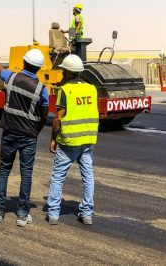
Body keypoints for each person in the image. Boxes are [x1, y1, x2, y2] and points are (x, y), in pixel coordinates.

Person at [0, 49, 49, 227]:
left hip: (9, 132)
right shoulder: (42, 90)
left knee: (4, 169)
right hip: (29, 135)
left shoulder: (11, 77)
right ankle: (22, 214)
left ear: (24, 63)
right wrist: (37, 130)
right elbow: (44, 116)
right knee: (26, 174)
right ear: (39, 69)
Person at [46, 54, 98, 226]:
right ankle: (87, 214)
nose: (61, 74)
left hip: (69, 141)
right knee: (88, 176)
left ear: (68, 72)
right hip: (88, 139)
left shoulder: (65, 90)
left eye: (63, 71)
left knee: (58, 176)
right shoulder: (91, 89)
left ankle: (53, 213)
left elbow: (57, 119)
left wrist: (53, 139)